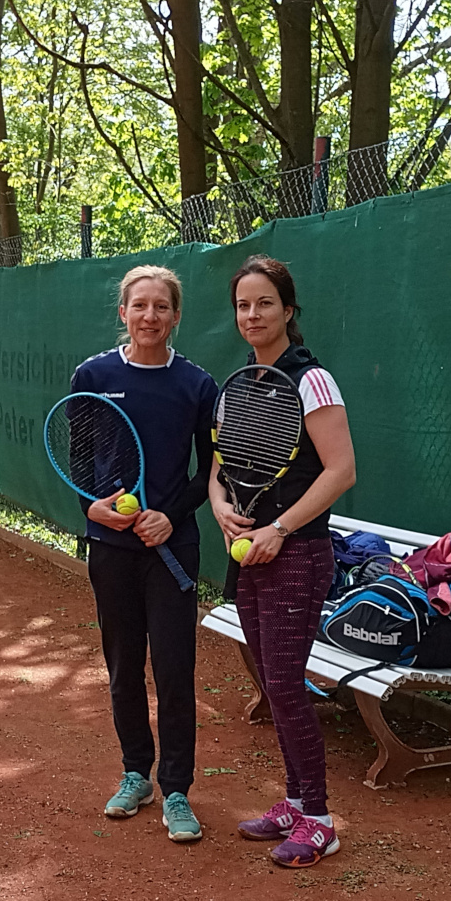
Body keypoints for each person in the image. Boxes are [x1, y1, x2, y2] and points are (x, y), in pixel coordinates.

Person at [208, 256, 357, 868]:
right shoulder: (241, 384)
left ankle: (319, 820)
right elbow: (221, 470)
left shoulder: (312, 380)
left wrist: (279, 528)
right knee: (273, 686)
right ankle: (294, 803)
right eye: (243, 305)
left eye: (264, 303)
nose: (252, 314)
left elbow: (341, 471)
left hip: (297, 554)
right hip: (250, 555)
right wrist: (222, 510)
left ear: (288, 310)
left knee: (289, 688)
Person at [71, 265, 219, 843]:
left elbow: (208, 471)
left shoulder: (197, 385)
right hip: (111, 549)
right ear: (123, 313)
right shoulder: (93, 375)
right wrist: (92, 508)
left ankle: (176, 789)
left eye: (161, 307)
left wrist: (171, 515)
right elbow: (79, 460)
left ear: (176, 316)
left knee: (175, 670)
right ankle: (137, 774)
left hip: (172, 547)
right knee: (123, 667)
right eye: (140, 306)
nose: (149, 316)